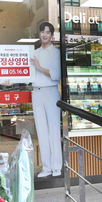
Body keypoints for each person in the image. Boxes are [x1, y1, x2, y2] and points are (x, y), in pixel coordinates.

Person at [31, 22, 62, 178]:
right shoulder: (34, 52)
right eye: (42, 32)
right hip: (36, 93)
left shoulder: (56, 53)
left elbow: (55, 74)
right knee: (41, 131)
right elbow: (27, 74)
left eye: (47, 32)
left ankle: (57, 167)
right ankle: (46, 167)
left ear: (52, 35)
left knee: (54, 130)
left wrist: (39, 66)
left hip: (51, 92)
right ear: (39, 34)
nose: (44, 35)